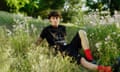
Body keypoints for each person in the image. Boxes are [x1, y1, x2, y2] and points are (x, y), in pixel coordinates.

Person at [35, 10, 120, 72]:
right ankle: (107, 69)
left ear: (59, 19)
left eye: (57, 18)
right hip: (60, 51)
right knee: (82, 60)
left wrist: (72, 45)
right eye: (53, 18)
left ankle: (90, 58)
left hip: (67, 46)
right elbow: (38, 41)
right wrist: (36, 50)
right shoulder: (46, 30)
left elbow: (64, 40)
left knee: (81, 32)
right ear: (50, 19)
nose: (55, 20)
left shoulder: (62, 28)